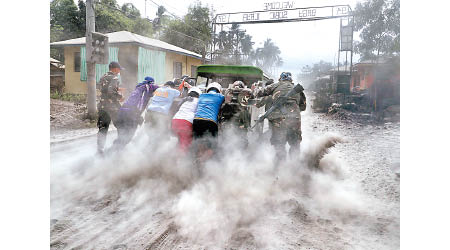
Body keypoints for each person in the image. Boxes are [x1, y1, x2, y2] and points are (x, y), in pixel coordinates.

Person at [256, 72, 307, 161]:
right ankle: (295, 166)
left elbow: (260, 93)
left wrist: (256, 88)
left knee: (279, 144)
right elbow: (303, 107)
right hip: (294, 119)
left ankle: (280, 167)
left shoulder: (275, 86)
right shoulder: (298, 90)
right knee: (295, 144)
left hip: (278, 120)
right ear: (291, 79)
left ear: (280, 78)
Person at [109, 77, 159, 151]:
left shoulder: (138, 89)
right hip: (130, 114)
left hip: (122, 113)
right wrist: (166, 86)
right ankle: (111, 153)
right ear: (150, 83)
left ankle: (112, 154)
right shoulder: (146, 87)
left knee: (122, 138)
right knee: (127, 137)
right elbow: (154, 87)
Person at [96, 61, 124, 155]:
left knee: (103, 128)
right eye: (119, 69)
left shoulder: (103, 76)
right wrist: (120, 97)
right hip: (112, 107)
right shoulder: (114, 77)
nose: (119, 71)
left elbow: (101, 89)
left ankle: (100, 150)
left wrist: (116, 90)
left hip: (102, 106)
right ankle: (120, 147)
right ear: (115, 69)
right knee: (121, 126)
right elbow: (110, 91)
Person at [192, 82, 225, 159]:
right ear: (219, 90)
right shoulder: (220, 96)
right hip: (211, 121)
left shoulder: (201, 96)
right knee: (212, 145)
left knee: (198, 142)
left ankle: (198, 160)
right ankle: (208, 162)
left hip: (197, 120)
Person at [220, 81, 252, 148]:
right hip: (230, 121)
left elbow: (250, 93)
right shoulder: (228, 94)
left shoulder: (244, 96)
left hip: (239, 122)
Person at [171, 87, 202, 153]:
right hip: (185, 123)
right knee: (185, 144)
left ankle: (172, 157)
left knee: (179, 141)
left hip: (175, 121)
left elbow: (177, 107)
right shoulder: (198, 101)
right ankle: (181, 161)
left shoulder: (185, 100)